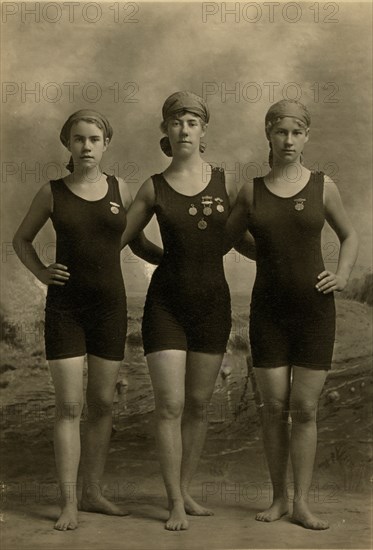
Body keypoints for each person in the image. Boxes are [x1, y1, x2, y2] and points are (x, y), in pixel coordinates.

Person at [12, 109, 162, 531]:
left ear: (106, 144)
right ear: (68, 145)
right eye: (79, 139)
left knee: (101, 404)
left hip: (110, 308)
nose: (87, 147)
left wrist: (175, 260)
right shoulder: (52, 191)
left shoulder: (122, 188)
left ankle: (93, 492)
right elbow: (20, 239)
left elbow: (139, 243)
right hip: (65, 310)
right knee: (69, 406)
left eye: (94, 139)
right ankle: (69, 502)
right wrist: (42, 272)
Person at [120, 91, 254, 531]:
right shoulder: (153, 186)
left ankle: (187, 490)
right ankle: (174, 501)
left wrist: (287, 260)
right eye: (176, 122)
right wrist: (161, 257)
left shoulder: (224, 182)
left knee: (198, 405)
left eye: (192, 122)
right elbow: (124, 237)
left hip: (214, 304)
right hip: (166, 306)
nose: (184, 129)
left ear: (203, 131)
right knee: (171, 405)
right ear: (166, 130)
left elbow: (244, 239)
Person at [226, 99, 359, 529]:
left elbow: (349, 233)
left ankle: (302, 502)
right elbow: (229, 239)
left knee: (304, 408)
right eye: (280, 132)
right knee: (272, 406)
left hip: (315, 312)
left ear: (306, 137)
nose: (288, 140)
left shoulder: (324, 185)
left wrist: (341, 275)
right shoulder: (251, 190)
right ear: (268, 133)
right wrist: (265, 254)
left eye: (296, 132)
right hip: (268, 312)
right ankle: (279, 498)